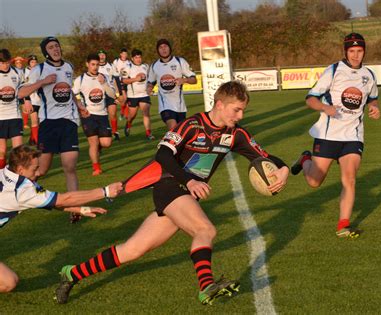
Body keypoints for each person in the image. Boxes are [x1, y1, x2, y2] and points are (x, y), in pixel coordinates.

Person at [54, 81, 289, 305]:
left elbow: (264, 156)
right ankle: (206, 285)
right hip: (169, 185)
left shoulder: (235, 134)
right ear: (220, 104)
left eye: (242, 111)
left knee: (133, 249)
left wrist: (284, 169)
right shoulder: (192, 125)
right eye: (236, 110)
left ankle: (72, 273)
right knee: (205, 229)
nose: (240, 117)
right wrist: (190, 181)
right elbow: (163, 155)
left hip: (185, 194)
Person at [291, 33, 381, 238]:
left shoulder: (369, 75)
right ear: (346, 52)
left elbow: (373, 99)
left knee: (349, 179)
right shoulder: (333, 71)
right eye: (352, 51)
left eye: (360, 51)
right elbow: (310, 98)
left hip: (353, 136)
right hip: (328, 135)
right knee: (314, 182)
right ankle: (305, 159)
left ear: (364, 51)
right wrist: (324, 107)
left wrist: (375, 108)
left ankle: (343, 225)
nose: (356, 55)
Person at [0, 145, 123, 293]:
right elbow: (65, 199)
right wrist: (105, 191)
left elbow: (53, 201)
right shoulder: (21, 190)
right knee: (8, 283)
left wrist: (81, 209)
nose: (38, 172)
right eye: (34, 169)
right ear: (20, 170)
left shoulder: (7, 171)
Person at [18, 36, 88, 223]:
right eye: (51, 47)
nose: (56, 49)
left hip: (69, 122)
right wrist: (43, 82)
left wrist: (79, 105)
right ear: (45, 52)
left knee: (70, 166)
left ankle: (75, 209)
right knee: (41, 170)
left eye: (57, 46)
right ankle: (18, 194)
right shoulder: (39, 69)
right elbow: (22, 92)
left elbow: (69, 90)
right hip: (48, 124)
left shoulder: (68, 67)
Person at [72, 53, 115, 175]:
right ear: (87, 64)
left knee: (107, 143)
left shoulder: (104, 77)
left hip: (102, 115)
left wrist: (104, 84)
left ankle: (97, 149)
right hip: (88, 115)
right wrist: (80, 107)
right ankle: (96, 168)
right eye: (92, 64)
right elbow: (73, 94)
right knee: (93, 142)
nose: (95, 67)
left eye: (97, 64)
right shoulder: (80, 79)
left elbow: (112, 95)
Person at [147, 38, 197, 130]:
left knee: (181, 134)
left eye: (165, 46)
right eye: (160, 47)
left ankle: (168, 143)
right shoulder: (154, 65)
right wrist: (149, 88)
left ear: (170, 48)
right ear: (158, 50)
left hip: (180, 107)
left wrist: (184, 80)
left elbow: (194, 80)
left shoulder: (180, 62)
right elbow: (151, 82)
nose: (163, 49)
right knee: (173, 127)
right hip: (165, 106)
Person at [0, 49, 26, 170]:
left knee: (18, 150)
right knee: (2, 151)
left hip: (15, 116)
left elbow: (21, 90)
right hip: (0, 117)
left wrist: (26, 101)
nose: (5, 65)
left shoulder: (17, 72)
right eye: (2, 63)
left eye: (7, 62)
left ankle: (17, 175)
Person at [122, 49, 154, 140]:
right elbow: (123, 80)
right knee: (132, 115)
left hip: (144, 95)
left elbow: (150, 79)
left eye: (139, 57)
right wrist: (135, 79)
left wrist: (150, 88)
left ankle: (148, 133)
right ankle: (128, 123)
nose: (138, 59)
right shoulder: (127, 67)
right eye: (136, 57)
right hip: (133, 96)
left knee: (146, 113)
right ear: (132, 58)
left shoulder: (146, 66)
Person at [98, 49, 120, 141]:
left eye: (103, 54)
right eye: (100, 55)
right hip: (99, 93)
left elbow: (116, 80)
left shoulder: (111, 66)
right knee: (102, 115)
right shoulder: (95, 66)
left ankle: (115, 132)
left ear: (105, 56)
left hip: (110, 92)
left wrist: (118, 94)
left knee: (113, 113)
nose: (101, 56)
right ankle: (103, 132)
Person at [24, 55, 40, 145]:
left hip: (40, 100)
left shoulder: (39, 71)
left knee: (39, 121)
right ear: (29, 63)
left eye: (35, 62)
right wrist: (26, 99)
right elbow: (26, 86)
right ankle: (38, 142)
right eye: (32, 62)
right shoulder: (26, 72)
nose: (34, 63)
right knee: (34, 121)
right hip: (31, 100)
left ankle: (32, 139)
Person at [112, 48, 130, 121]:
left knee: (126, 99)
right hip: (119, 81)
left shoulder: (129, 62)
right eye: (123, 54)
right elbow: (114, 71)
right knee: (124, 98)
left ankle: (124, 113)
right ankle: (124, 113)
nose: (125, 55)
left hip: (127, 81)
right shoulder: (116, 61)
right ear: (121, 54)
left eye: (126, 54)